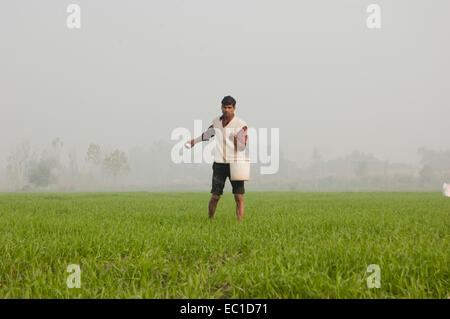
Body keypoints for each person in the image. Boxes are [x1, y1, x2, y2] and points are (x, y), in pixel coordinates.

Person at [188, 95, 248, 222]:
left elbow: (242, 147)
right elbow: (207, 134)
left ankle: (240, 224)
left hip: (235, 164)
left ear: (234, 108)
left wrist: (236, 140)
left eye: (229, 107)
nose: (227, 110)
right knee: (215, 195)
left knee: (238, 196)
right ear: (221, 107)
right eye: (225, 107)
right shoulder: (216, 122)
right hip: (219, 163)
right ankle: (210, 220)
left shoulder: (241, 124)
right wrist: (194, 141)